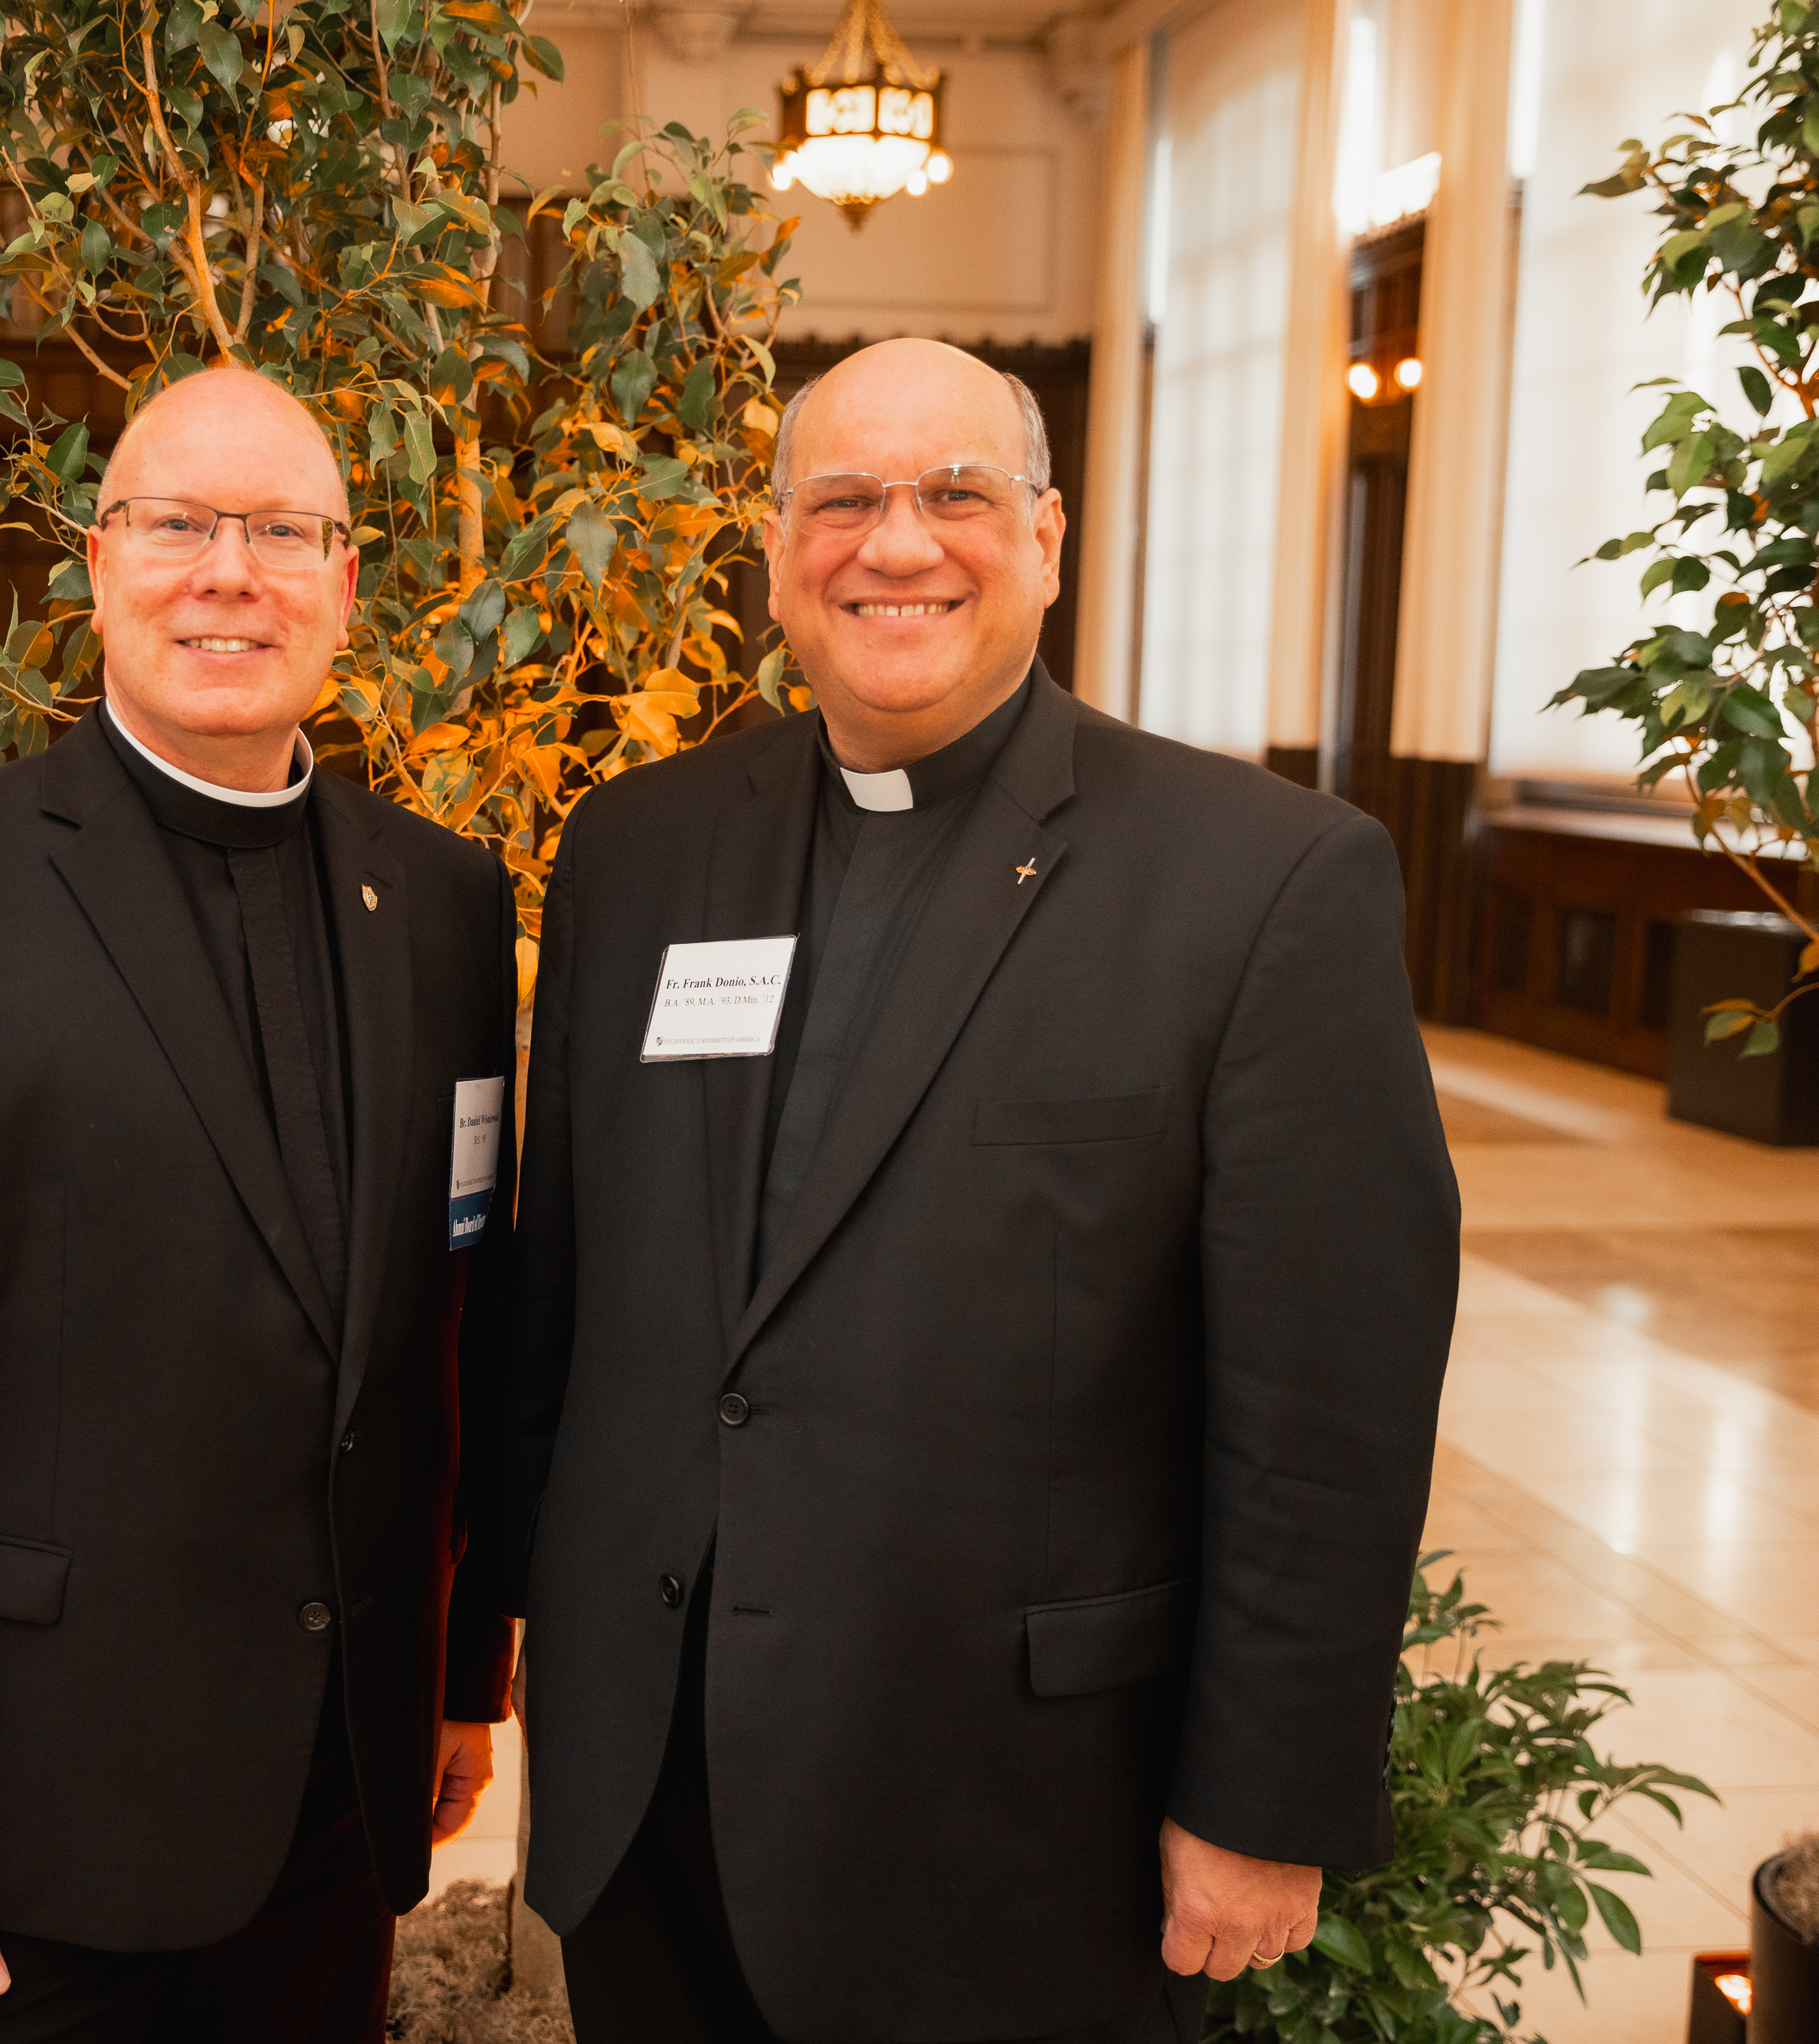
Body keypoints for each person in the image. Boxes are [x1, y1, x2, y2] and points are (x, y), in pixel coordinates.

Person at [467, 337, 1460, 2044]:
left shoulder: (1259, 882)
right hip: (652, 1791)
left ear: (1049, 539)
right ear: (775, 550)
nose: (895, 542)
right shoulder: (636, 848)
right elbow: (565, 1299)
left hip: (1013, 1817)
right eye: (841, 499)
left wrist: (1261, 1796)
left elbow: (1325, 1405)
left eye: (953, 495)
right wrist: (486, 1648)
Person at [0, 364, 517, 2044]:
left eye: (282, 531)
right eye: (177, 524)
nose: (227, 572)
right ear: (93, 565)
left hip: (336, 1798)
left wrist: (457, 1675)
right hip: (44, 1822)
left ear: (346, 585)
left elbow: (454, 1314)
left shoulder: (441, 902)